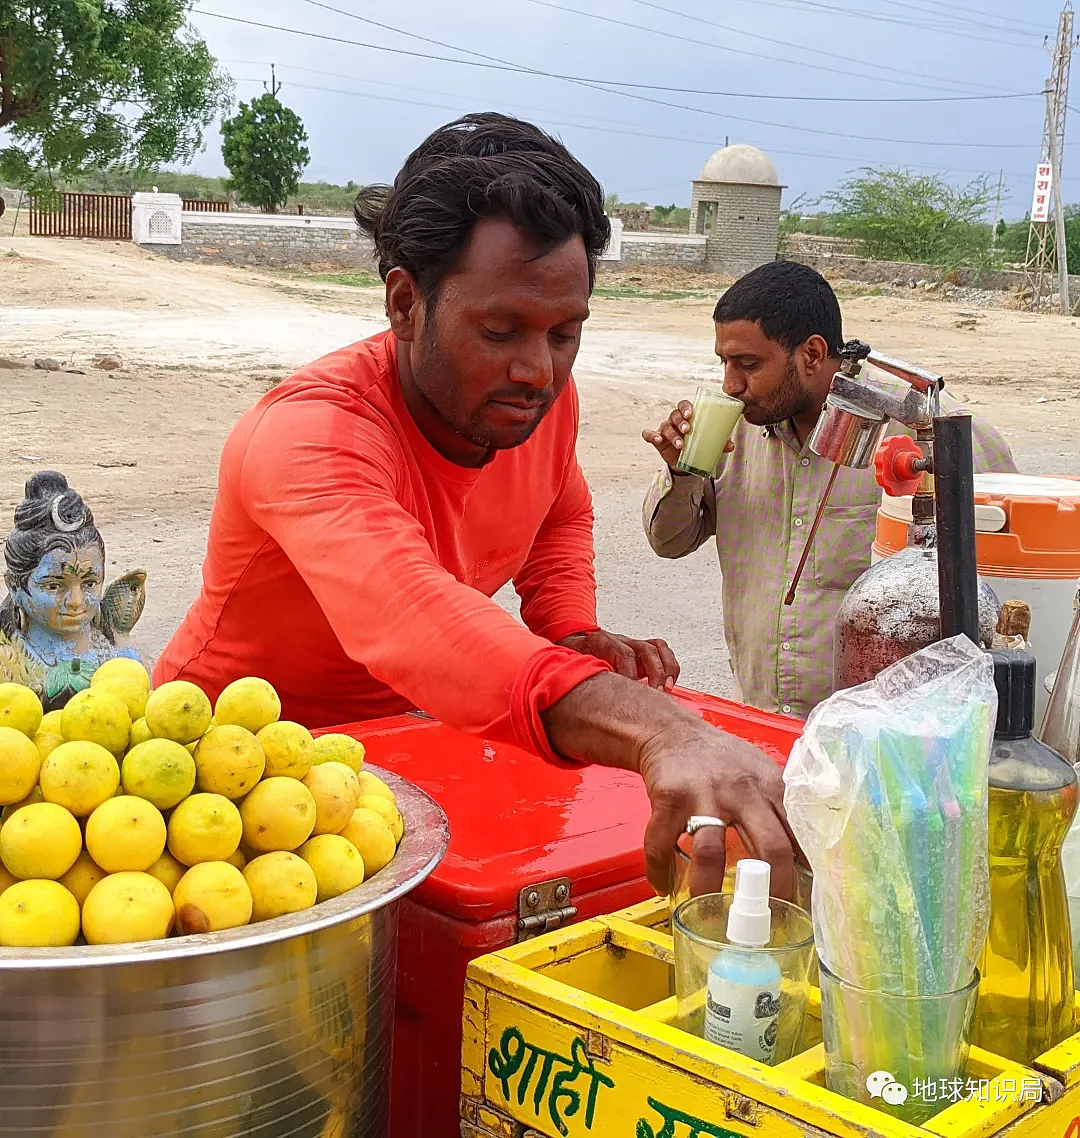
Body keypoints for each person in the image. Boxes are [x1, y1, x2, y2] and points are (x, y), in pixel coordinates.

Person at [155, 113, 797, 898]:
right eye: (500, 329)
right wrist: (660, 730)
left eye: (565, 333)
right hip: (226, 783)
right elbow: (414, 616)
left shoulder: (534, 405)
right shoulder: (310, 433)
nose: (537, 369)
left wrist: (570, 626)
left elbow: (557, 508)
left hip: (418, 755)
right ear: (403, 302)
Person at [642, 260, 1017, 719]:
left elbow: (1006, 587)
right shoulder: (730, 435)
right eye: (724, 362)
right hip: (768, 724)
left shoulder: (928, 433)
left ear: (814, 355)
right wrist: (681, 471)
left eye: (749, 364)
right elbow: (670, 541)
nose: (731, 385)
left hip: (883, 739)